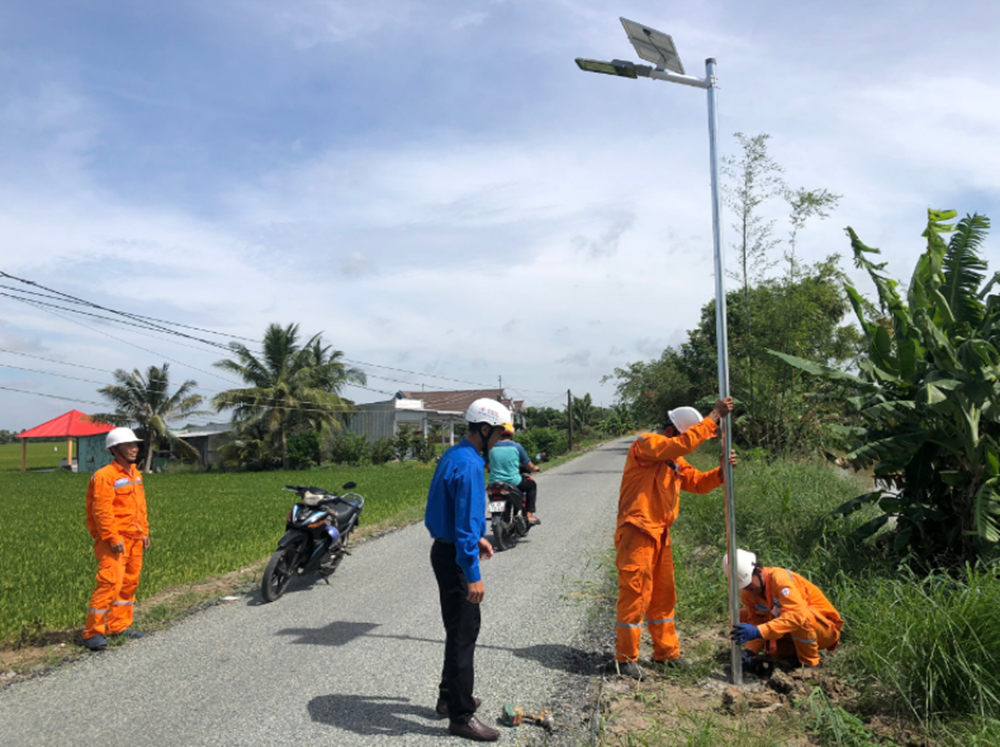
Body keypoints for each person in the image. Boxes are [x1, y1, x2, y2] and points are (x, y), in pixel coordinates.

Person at [613, 397, 737, 678]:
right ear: (672, 431)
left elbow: (700, 483)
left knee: (663, 598)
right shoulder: (647, 444)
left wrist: (721, 471)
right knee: (635, 595)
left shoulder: (675, 462)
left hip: (660, 535)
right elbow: (680, 446)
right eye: (684, 436)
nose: (686, 444)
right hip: (637, 531)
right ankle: (625, 658)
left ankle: (666, 654)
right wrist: (714, 416)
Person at [424, 398, 513, 742]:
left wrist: (477, 538)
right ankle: (462, 715)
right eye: (500, 436)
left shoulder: (454, 455)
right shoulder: (472, 465)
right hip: (454, 557)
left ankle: (449, 698)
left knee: (457, 630)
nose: (500, 443)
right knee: (464, 634)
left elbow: (453, 513)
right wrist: (472, 572)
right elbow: (463, 522)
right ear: (485, 429)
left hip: (444, 550)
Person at [82, 427, 149, 651]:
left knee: (129, 584)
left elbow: (140, 508)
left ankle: (119, 625)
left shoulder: (135, 475)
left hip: (134, 539)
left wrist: (144, 532)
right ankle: (93, 632)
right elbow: (102, 511)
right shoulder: (104, 476)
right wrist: (111, 537)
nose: (134, 449)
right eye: (129, 445)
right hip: (115, 540)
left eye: (135, 445)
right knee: (110, 583)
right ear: (114, 449)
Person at [727, 549, 844, 669]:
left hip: (825, 630)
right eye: (744, 588)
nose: (749, 591)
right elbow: (756, 621)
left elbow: (797, 616)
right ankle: (784, 655)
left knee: (801, 618)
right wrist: (750, 651)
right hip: (793, 632)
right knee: (741, 617)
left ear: (758, 571)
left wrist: (759, 631)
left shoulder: (780, 580)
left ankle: (809, 665)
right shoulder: (749, 593)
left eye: (750, 587)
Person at [487, 422, 541, 525]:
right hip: (513, 482)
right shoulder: (517, 446)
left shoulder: (491, 447)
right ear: (511, 434)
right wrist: (535, 468)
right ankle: (529, 514)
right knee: (531, 484)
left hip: (494, 482)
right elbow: (529, 466)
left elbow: (487, 464)